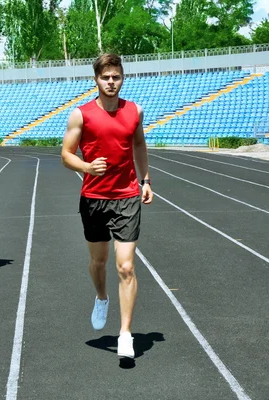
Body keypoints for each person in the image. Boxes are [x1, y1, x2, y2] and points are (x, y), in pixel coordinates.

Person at [61, 54, 153, 359]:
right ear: (96, 80)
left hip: (126, 197)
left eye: (116, 77)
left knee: (126, 266)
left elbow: (138, 145)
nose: (111, 82)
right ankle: (102, 297)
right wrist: (87, 167)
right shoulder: (81, 115)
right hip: (94, 199)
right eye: (105, 77)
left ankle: (125, 333)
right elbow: (66, 155)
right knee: (98, 263)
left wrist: (146, 180)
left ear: (122, 78)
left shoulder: (134, 111)